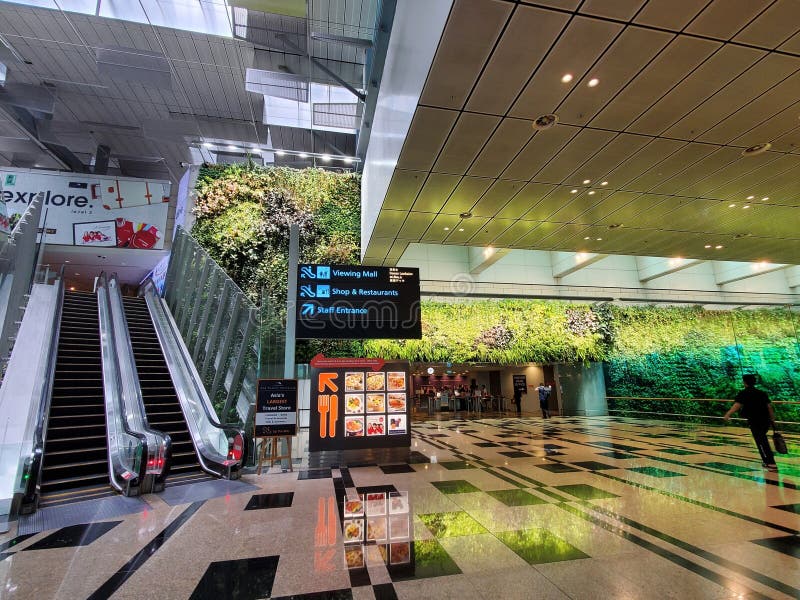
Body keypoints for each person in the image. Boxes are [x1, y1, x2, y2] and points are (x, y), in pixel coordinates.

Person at [724, 374, 777, 471]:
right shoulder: (762, 393)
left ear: (744, 382)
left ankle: (770, 462)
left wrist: (728, 414)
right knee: (762, 439)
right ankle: (769, 461)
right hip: (765, 420)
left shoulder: (744, 393)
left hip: (754, 420)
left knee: (761, 441)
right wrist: (772, 419)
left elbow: (737, 405)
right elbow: (769, 406)